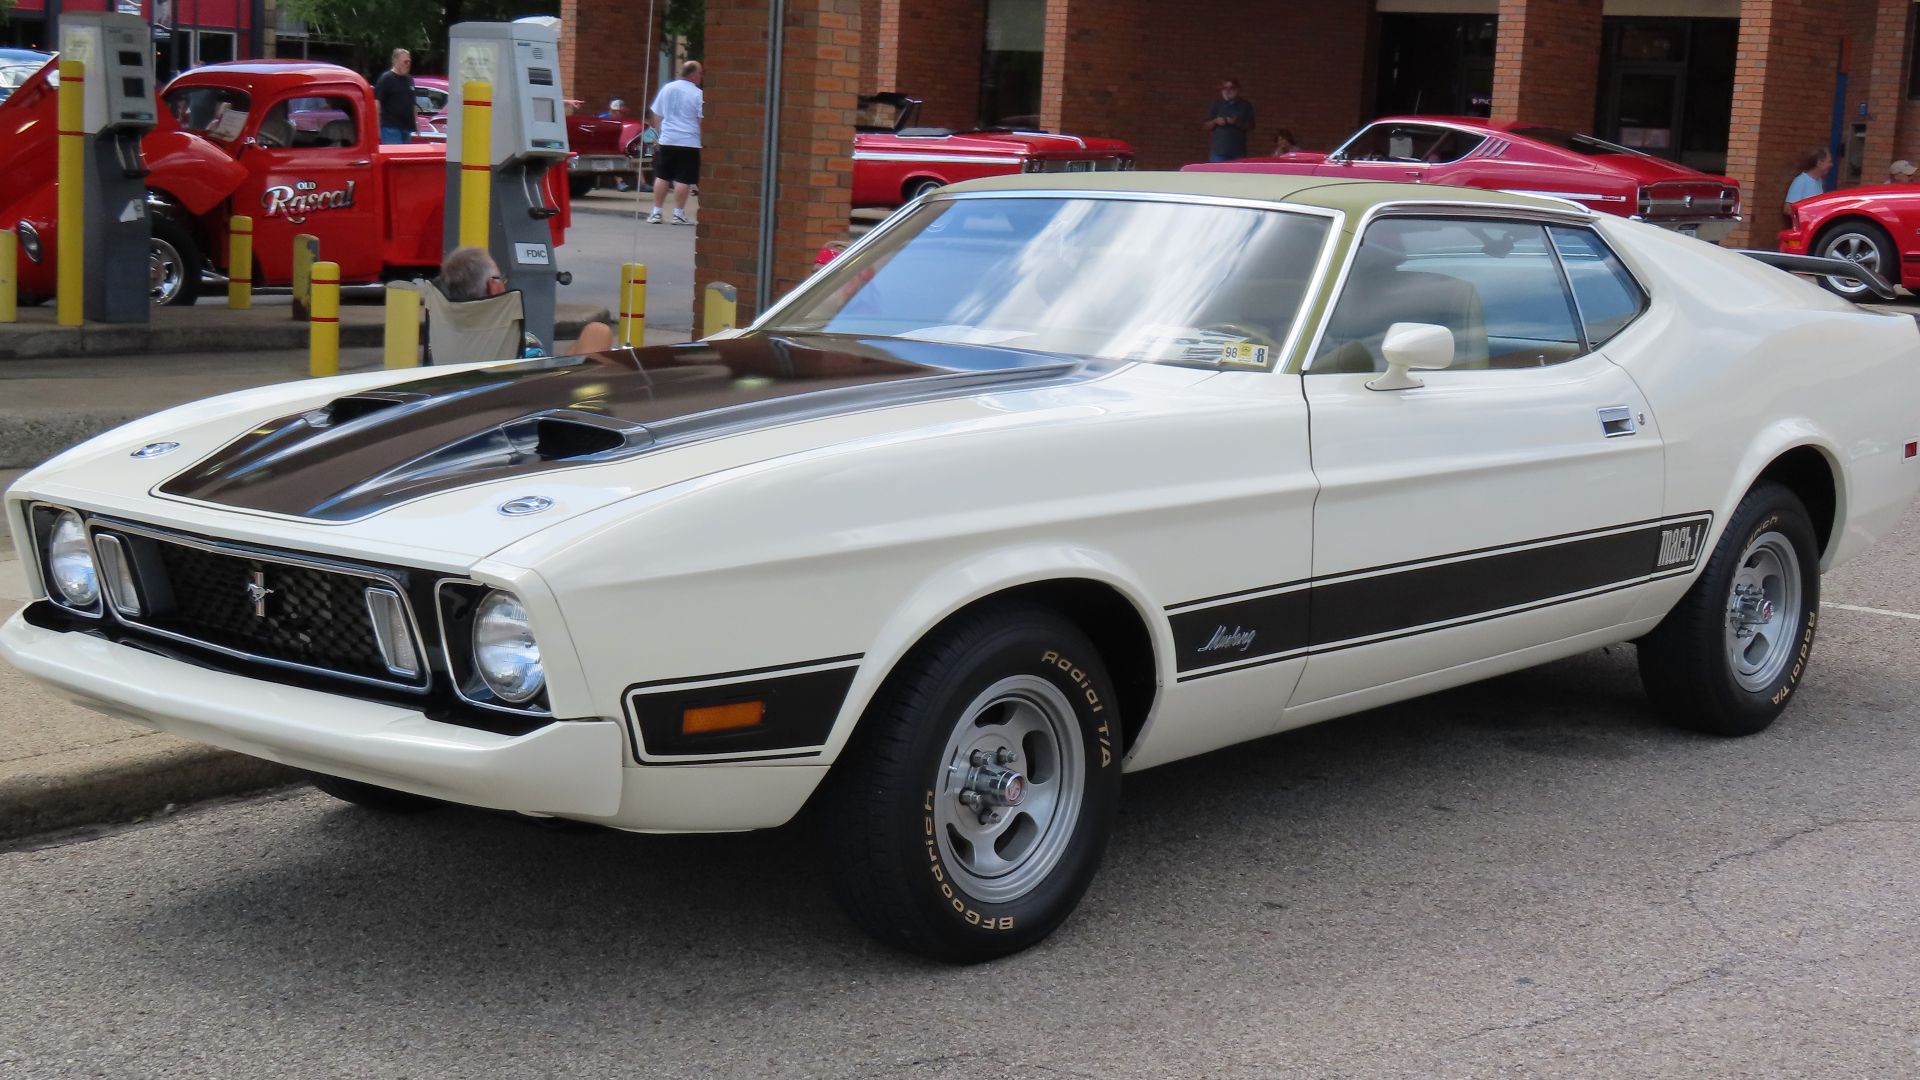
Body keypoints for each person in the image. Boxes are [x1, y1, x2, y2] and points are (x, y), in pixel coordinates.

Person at [440, 247, 614, 356]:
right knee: (597, 332)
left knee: (579, 346)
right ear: (494, 286)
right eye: (501, 278)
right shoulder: (521, 344)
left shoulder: (441, 336)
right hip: (523, 399)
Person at [647, 60, 704, 225]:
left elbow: (657, 114)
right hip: (689, 141)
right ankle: (678, 214)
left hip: (668, 139)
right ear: (693, 74)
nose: (701, 76)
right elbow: (701, 120)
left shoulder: (667, 88)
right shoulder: (698, 94)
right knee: (684, 178)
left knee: (662, 176)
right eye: (700, 73)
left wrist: (660, 134)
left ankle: (656, 212)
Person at [1203, 78, 1254, 163]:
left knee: (1237, 171)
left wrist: (1236, 122)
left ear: (1238, 89)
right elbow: (1205, 126)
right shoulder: (1216, 104)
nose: (1228, 91)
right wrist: (1215, 121)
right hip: (1219, 151)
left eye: (1231, 88)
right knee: (1217, 171)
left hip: (1238, 152)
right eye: (1225, 88)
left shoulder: (1245, 105)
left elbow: (1251, 126)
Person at [373, 48, 415, 146]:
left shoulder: (409, 79)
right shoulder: (386, 78)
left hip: (407, 127)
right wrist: (377, 127)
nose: (408, 64)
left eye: (409, 61)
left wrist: (416, 123)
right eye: (405, 62)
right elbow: (377, 103)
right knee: (395, 153)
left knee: (406, 154)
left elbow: (412, 103)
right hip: (390, 127)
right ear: (395, 61)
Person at [1784, 147, 1831, 219]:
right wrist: (1808, 217)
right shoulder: (1801, 181)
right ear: (1819, 163)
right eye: (1829, 161)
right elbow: (1787, 209)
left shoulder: (1819, 181)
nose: (1831, 164)